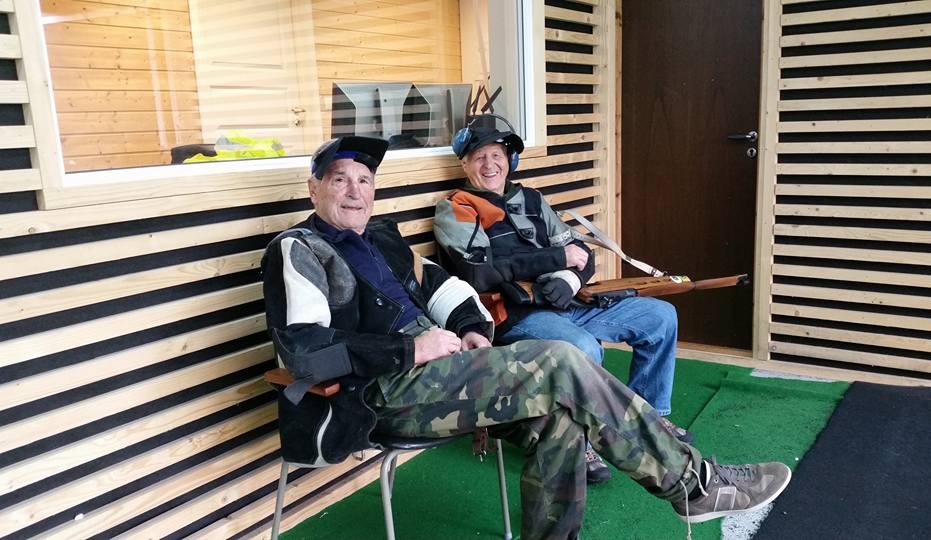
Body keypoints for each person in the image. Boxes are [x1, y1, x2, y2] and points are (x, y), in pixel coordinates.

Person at [260, 136, 791, 540]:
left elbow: (445, 287)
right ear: (314, 189)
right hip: (381, 391)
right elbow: (305, 351)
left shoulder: (381, 239)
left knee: (560, 420)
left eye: (364, 180)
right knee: (559, 361)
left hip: (439, 374)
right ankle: (695, 485)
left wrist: (471, 329)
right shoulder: (301, 249)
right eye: (340, 180)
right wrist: (413, 348)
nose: (355, 191)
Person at [433, 120, 691, 483]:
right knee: (583, 348)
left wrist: (571, 280)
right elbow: (479, 274)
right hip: (514, 315)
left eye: (497, 155)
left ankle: (647, 420)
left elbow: (580, 252)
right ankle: (577, 440)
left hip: (567, 304)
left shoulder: (531, 199)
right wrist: (556, 260)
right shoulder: (457, 207)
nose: (490, 164)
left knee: (660, 317)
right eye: (479, 157)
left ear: (510, 159)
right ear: (464, 164)